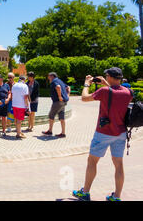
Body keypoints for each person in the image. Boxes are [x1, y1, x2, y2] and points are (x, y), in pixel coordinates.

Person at [72, 68, 133, 201]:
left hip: (103, 133)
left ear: (110, 77)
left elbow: (84, 98)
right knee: (118, 164)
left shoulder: (104, 91)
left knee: (92, 161)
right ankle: (116, 196)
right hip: (121, 133)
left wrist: (87, 83)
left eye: (106, 76)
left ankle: (85, 192)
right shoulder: (128, 92)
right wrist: (106, 83)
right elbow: (116, 93)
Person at [42, 72, 70, 138]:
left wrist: (60, 96)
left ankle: (50, 131)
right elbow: (68, 87)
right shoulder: (60, 80)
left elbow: (58, 87)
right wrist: (67, 96)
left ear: (52, 76)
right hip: (63, 102)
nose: (48, 78)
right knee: (61, 117)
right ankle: (63, 133)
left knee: (51, 115)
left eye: (48, 76)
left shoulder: (54, 81)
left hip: (57, 102)